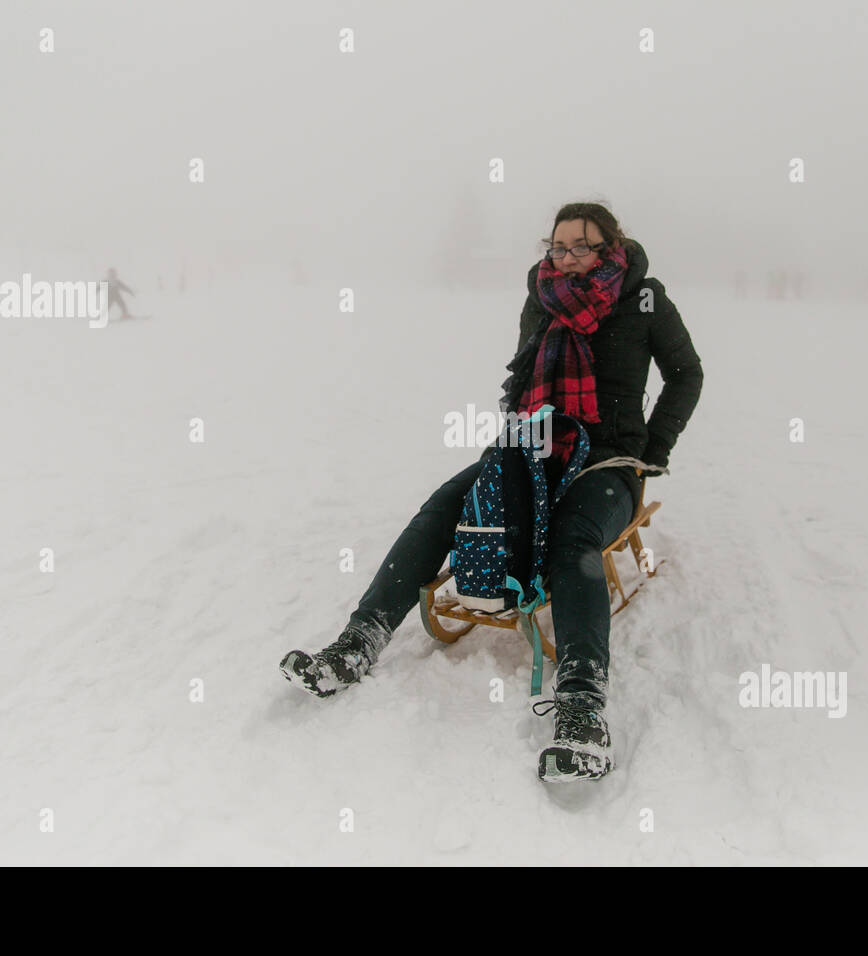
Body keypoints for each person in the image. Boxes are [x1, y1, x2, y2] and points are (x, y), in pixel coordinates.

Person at [279, 203, 703, 781]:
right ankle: (360, 639)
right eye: (558, 246)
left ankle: (581, 704)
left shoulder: (645, 298)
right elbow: (526, 375)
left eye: (583, 245)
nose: (568, 256)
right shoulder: (542, 294)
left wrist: (654, 449)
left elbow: (687, 373)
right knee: (444, 503)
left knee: (575, 537)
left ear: (611, 248)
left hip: (607, 461)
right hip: (531, 447)